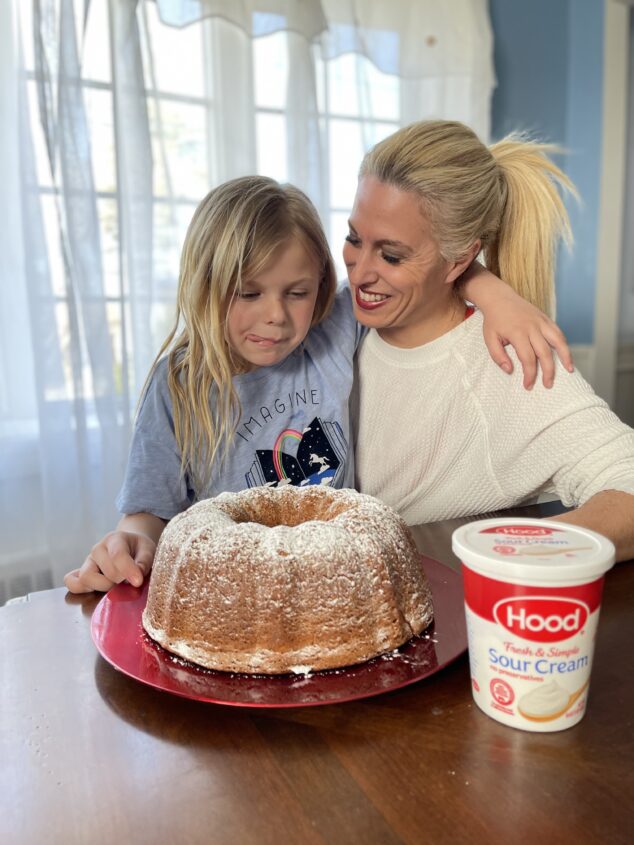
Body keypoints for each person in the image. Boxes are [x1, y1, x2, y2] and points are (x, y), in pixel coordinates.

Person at [64, 174, 571, 594]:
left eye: (297, 292)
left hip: (336, 582)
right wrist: (129, 544)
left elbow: (425, 269)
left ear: (322, 289)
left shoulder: (328, 331)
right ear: (204, 285)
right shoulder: (179, 384)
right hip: (233, 594)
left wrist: (497, 296)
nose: (276, 317)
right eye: (248, 293)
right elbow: (146, 515)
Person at [349, 120, 634, 561]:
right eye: (353, 238)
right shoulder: (336, 327)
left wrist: (503, 553)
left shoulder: (508, 362)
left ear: (458, 259)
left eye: (391, 255)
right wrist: (484, 284)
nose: (359, 272)